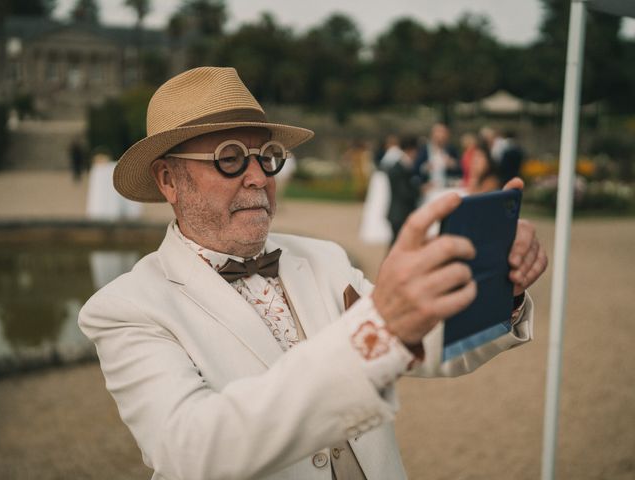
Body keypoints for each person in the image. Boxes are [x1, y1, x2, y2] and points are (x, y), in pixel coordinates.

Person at [78, 67, 547, 480]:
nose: (259, 177)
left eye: (267, 157)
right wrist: (379, 326)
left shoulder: (325, 258)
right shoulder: (126, 309)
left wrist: (501, 286)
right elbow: (193, 450)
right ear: (168, 180)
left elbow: (424, 343)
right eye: (230, 157)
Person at [386, 135, 420, 242]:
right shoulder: (399, 169)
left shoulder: (403, 167)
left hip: (399, 213)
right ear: (412, 150)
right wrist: (419, 190)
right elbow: (404, 193)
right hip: (399, 214)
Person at [413, 123, 461, 190]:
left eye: (444, 133)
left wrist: (453, 164)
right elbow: (415, 171)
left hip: (447, 187)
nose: (441, 135)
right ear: (432, 134)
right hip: (429, 188)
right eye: (438, 132)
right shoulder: (423, 150)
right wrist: (425, 168)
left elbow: (460, 170)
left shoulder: (451, 150)